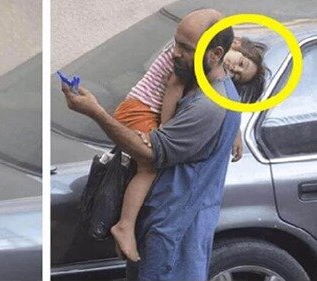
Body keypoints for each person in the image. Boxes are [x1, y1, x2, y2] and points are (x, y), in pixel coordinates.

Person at [62, 8, 241, 280]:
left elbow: (152, 153)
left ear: (215, 54)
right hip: (170, 225)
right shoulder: (211, 88)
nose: (174, 53)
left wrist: (95, 111)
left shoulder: (208, 105)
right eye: (176, 43)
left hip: (173, 232)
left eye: (186, 48)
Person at [110, 37, 266, 262]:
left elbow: (225, 93)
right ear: (235, 45)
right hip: (139, 109)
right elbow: (174, 85)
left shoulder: (210, 63)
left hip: (143, 109)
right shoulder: (194, 61)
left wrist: (236, 130)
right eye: (240, 64)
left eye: (237, 74)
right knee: (149, 167)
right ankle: (124, 226)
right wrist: (166, 127)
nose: (233, 69)